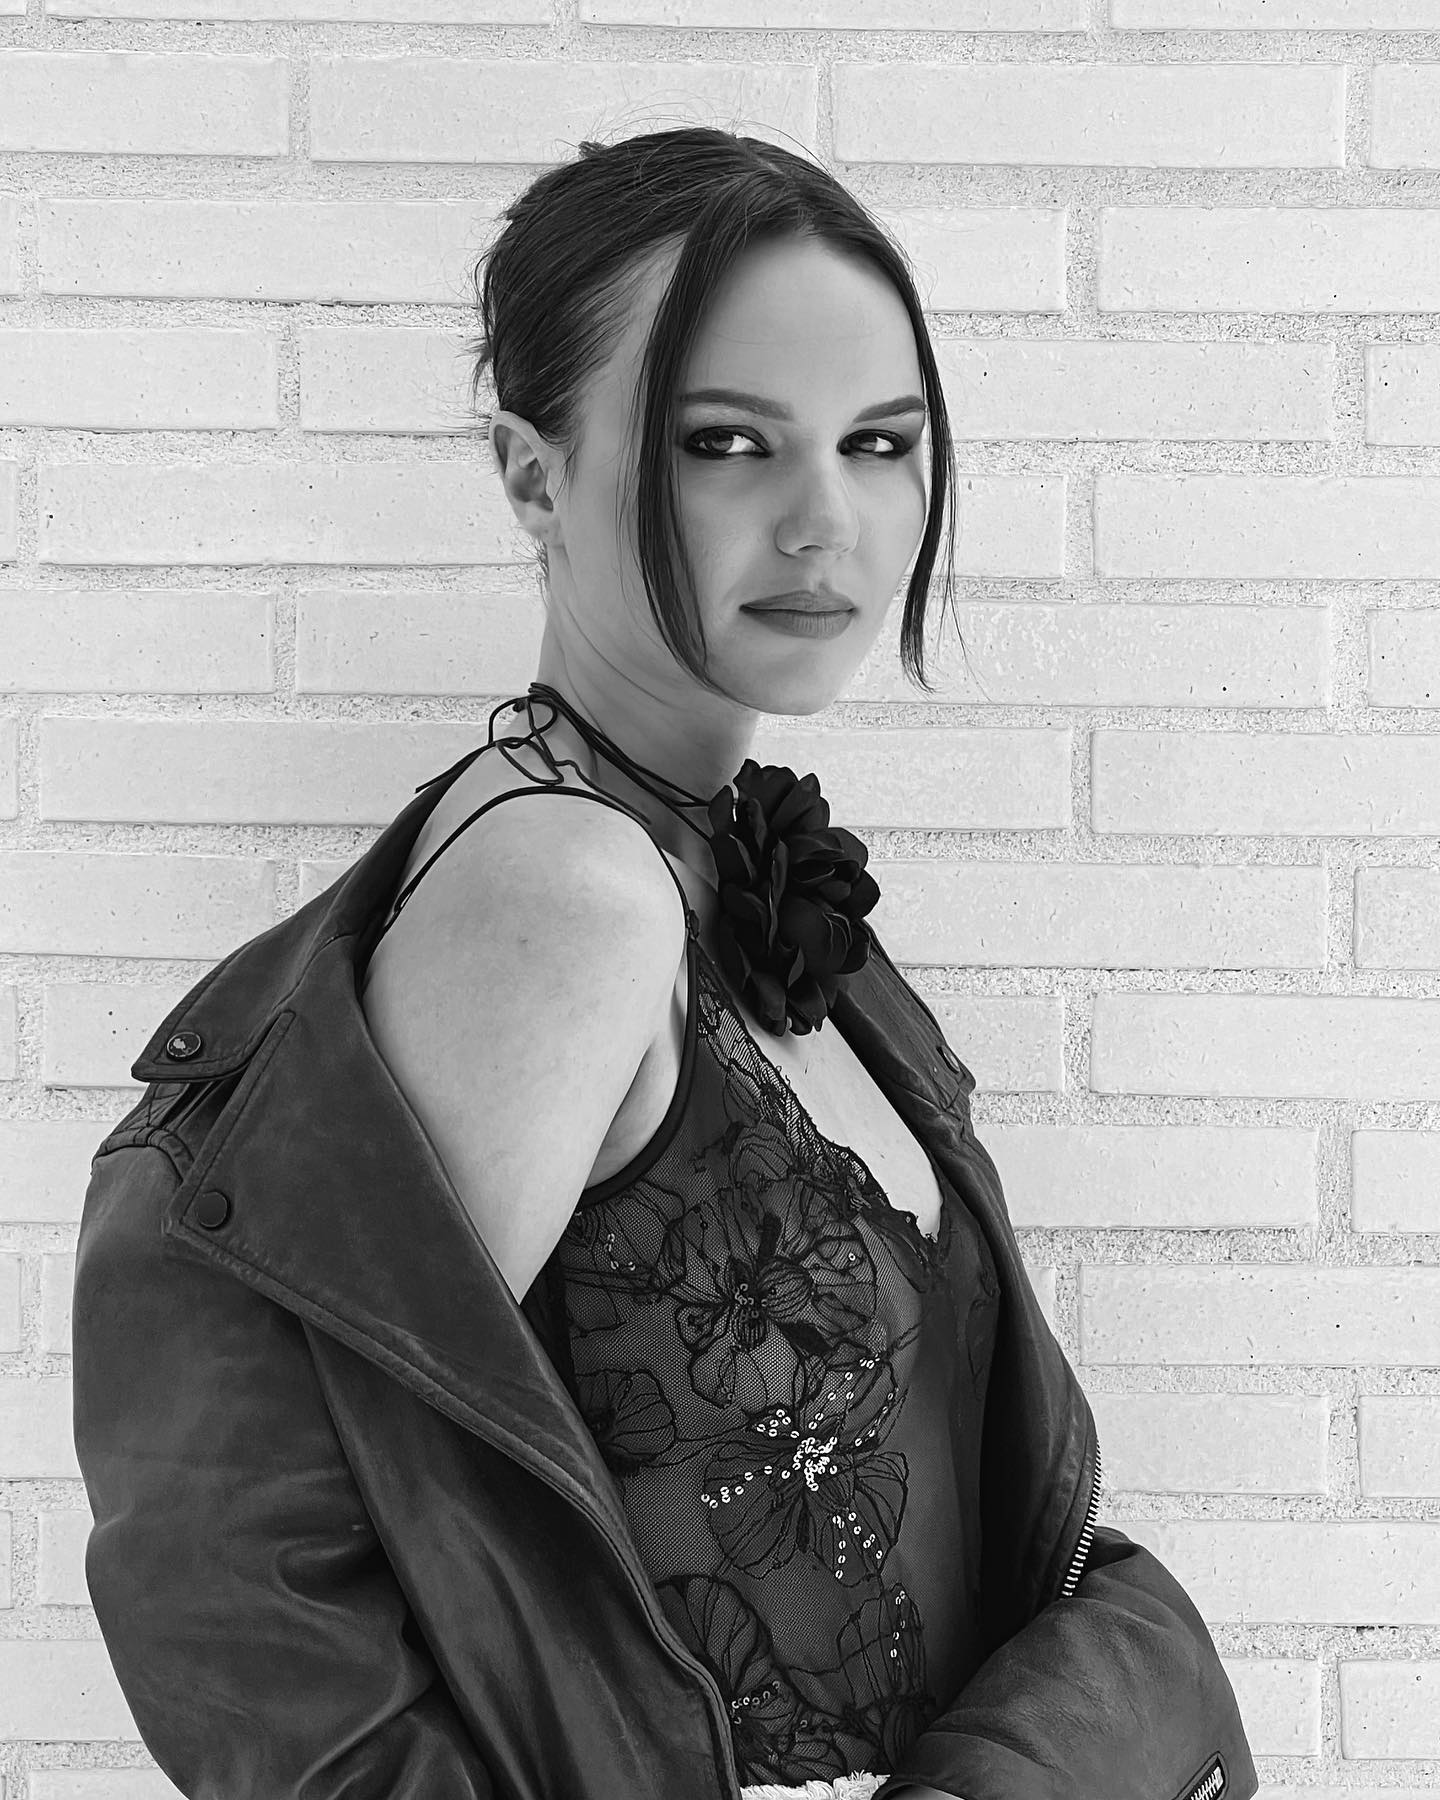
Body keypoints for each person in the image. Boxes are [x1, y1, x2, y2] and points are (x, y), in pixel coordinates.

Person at [71, 126, 1258, 1800]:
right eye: (726, 444)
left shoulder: (703, 859)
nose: (827, 522)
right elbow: (247, 1564)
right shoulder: (571, 892)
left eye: (879, 442)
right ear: (531, 475)